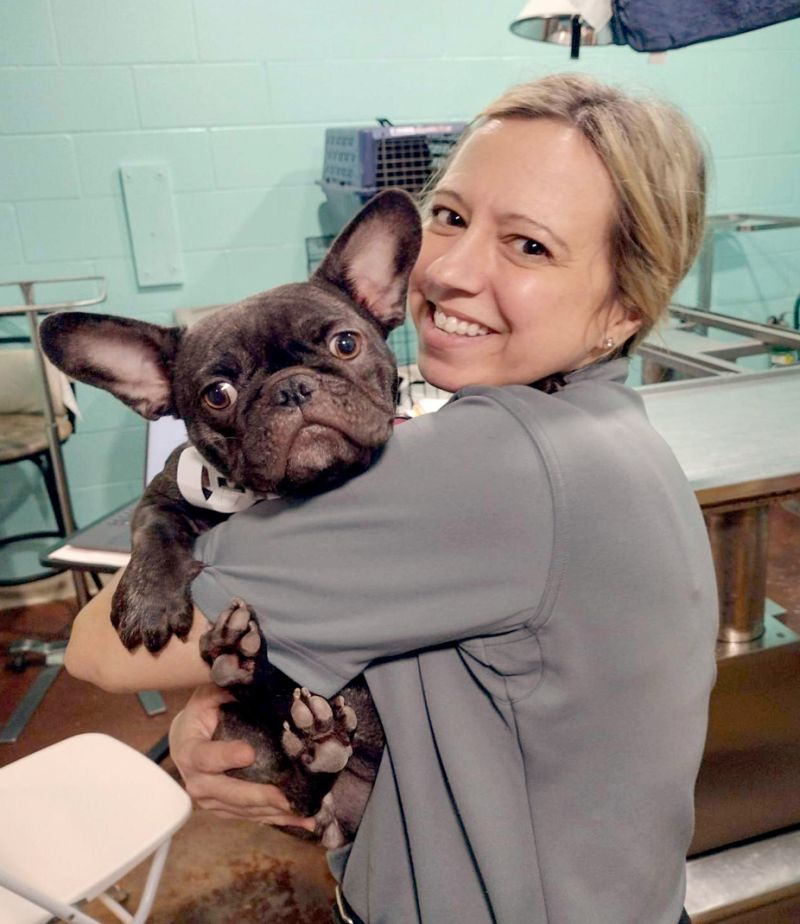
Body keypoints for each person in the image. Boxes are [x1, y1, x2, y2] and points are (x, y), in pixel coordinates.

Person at [65, 73, 718, 924]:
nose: (449, 269)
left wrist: (202, 697)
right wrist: (223, 699)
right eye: (449, 216)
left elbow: (100, 652)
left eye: (529, 246)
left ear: (624, 307)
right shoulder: (600, 422)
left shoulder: (488, 465)